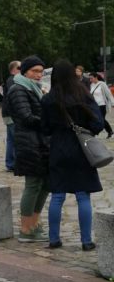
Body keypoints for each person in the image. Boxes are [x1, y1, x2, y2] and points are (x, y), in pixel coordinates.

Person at [41, 59, 104, 251]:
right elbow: (98, 123)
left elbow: (44, 128)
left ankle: (54, 239)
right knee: (83, 195)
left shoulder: (48, 99)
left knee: (57, 195)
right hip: (81, 149)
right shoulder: (83, 95)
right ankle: (86, 241)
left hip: (59, 148)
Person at [7, 57, 50, 243]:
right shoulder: (18, 89)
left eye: (41, 71)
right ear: (24, 72)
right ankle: (26, 228)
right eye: (35, 71)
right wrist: (49, 121)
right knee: (33, 184)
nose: (38, 74)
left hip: (41, 141)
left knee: (45, 184)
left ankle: (35, 222)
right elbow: (25, 117)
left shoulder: (35, 88)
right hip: (28, 142)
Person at [1, 60, 20, 172]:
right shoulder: (12, 80)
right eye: (19, 68)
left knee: (11, 140)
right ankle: (14, 163)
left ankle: (10, 163)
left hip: (8, 113)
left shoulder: (11, 80)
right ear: (14, 70)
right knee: (15, 139)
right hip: (11, 114)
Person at [88, 71, 113, 139]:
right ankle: (110, 131)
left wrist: (112, 103)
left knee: (101, 119)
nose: (90, 80)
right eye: (90, 79)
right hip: (95, 105)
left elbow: (109, 94)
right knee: (99, 119)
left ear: (96, 77)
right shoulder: (91, 85)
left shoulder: (102, 84)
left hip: (102, 105)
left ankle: (108, 131)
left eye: (91, 78)